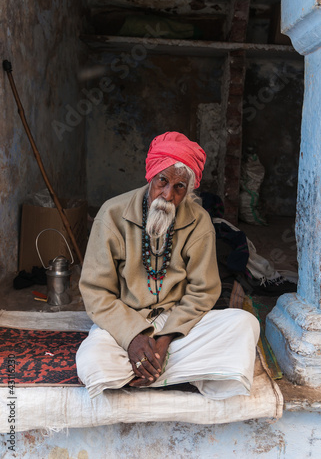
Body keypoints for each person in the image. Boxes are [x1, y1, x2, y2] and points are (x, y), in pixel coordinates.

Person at [76, 131, 259, 400]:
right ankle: (176, 373)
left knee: (245, 324)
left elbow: (203, 291)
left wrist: (164, 341)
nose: (168, 194)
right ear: (151, 176)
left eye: (179, 187)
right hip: (125, 319)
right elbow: (96, 292)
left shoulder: (200, 221)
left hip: (178, 326)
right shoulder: (112, 214)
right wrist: (134, 337)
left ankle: (148, 370)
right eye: (163, 181)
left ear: (188, 190)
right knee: (94, 363)